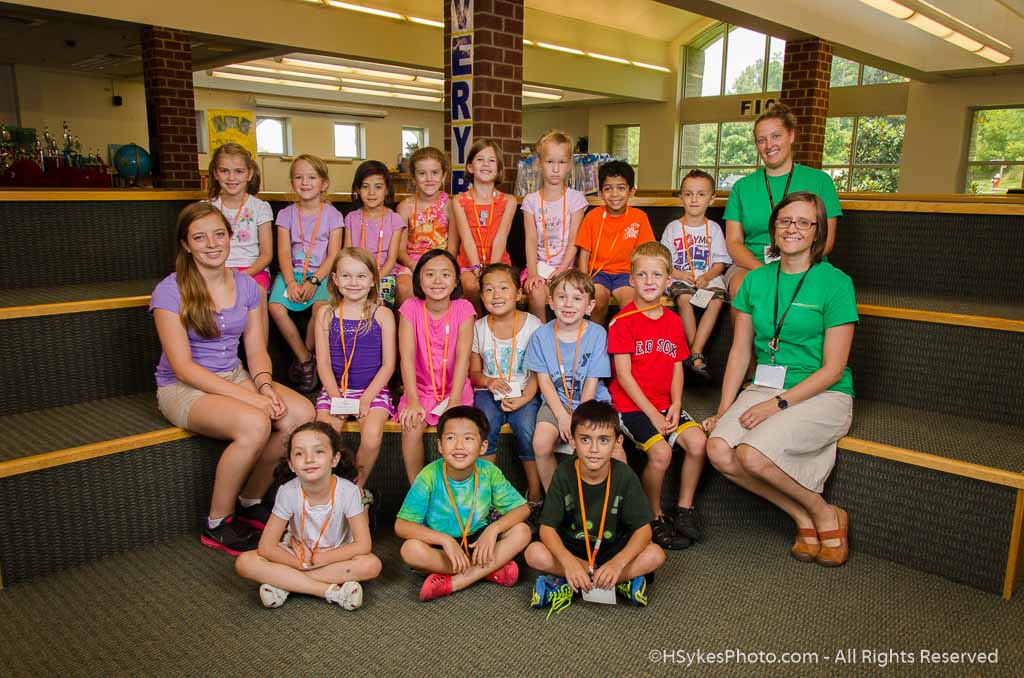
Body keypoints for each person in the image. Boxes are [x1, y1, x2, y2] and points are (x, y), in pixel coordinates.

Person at [151, 202, 314, 555]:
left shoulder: (247, 287)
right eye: (200, 237)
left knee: (299, 414)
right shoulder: (169, 291)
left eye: (219, 234)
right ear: (185, 244)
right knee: (256, 423)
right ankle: (218, 522)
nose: (212, 244)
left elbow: (255, 352)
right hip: (184, 386)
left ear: (230, 238)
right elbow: (183, 368)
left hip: (234, 374)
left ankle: (251, 499)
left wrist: (265, 387)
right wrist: (252, 399)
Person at [704, 191, 856, 567]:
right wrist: (724, 409)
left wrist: (778, 404)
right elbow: (741, 352)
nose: (793, 229)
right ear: (773, 228)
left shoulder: (835, 283)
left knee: (752, 455)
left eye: (804, 222)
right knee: (719, 450)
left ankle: (824, 513)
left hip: (823, 392)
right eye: (786, 221)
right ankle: (802, 515)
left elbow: (833, 368)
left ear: (818, 232)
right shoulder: (754, 281)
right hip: (765, 384)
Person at [608, 242, 708, 550]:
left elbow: (677, 367)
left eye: (657, 274)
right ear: (632, 279)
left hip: (666, 403)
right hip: (631, 406)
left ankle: (684, 508)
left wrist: (676, 404)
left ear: (668, 280)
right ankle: (653, 515)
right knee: (661, 454)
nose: (650, 281)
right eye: (642, 274)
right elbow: (623, 376)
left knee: (698, 442)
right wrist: (652, 413)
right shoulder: (622, 322)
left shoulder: (674, 321)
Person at [525, 401, 666, 614]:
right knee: (534, 553)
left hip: (612, 549)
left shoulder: (625, 476)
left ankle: (573, 582)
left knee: (656, 555)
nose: (593, 449)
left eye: (603, 440)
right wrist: (569, 562)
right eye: (585, 439)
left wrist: (618, 564)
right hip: (573, 549)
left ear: (618, 442)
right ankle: (615, 581)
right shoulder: (563, 474)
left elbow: (644, 530)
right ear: (572, 441)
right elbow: (547, 528)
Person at [235, 422, 382, 609]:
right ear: (291, 464)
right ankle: (330, 591)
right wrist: (301, 563)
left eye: (319, 451)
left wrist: (322, 559)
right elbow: (266, 546)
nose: (309, 459)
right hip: (297, 553)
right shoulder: (287, 492)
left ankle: (285, 583)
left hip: (336, 556)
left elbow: (363, 544)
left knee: (371, 565)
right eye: (299, 453)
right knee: (245, 562)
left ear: (334, 459)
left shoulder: (349, 491)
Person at [395, 406, 532, 602]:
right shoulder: (428, 476)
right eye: (451, 438)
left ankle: (455, 582)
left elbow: (523, 508)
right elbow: (402, 526)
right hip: (441, 547)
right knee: (410, 550)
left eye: (468, 439)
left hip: (478, 541)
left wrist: (493, 530)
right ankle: (488, 569)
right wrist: (445, 540)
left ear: (483, 446)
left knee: (522, 531)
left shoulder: (488, 471)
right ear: (440, 446)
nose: (459, 446)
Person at [722, 104, 842, 305]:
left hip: (807, 262)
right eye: (761, 140)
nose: (769, 145)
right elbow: (734, 243)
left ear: (791, 136)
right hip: (753, 264)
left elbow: (826, 240)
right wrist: (765, 272)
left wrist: (791, 270)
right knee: (743, 286)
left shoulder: (820, 181)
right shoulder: (742, 187)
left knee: (812, 288)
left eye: (776, 136)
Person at [313, 247, 396, 501]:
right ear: (335, 279)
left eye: (361, 276)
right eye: (346, 276)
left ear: (373, 280)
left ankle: (354, 488)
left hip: (372, 391)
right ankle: (326, 491)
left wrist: (367, 398)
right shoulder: (325, 314)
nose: (354, 282)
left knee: (371, 437)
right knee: (323, 437)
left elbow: (388, 364)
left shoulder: (382, 314)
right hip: (334, 389)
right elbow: (323, 363)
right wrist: (336, 397)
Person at [524, 270, 617, 491]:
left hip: (593, 402)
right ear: (551, 302)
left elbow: (592, 382)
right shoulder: (540, 336)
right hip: (556, 402)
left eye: (577, 298)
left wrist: (578, 419)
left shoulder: (597, 334)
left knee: (608, 450)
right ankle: (557, 497)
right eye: (562, 297)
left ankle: (597, 500)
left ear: (590, 306)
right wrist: (562, 416)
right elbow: (544, 382)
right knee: (541, 444)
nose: (568, 304)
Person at [395, 249, 475, 484]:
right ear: (419, 279)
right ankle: (417, 491)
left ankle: (453, 491)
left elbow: (463, 357)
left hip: (455, 388)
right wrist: (412, 399)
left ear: (456, 281)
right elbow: (406, 357)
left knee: (456, 430)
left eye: (445, 275)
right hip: (419, 388)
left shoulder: (464, 309)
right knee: (411, 426)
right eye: (430, 274)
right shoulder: (410, 308)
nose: (437, 281)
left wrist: (454, 401)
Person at [469, 263, 544, 509]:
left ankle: (534, 492)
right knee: (485, 426)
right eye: (489, 290)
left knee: (526, 428)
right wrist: (488, 382)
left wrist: (526, 398)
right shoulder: (478, 327)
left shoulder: (533, 325)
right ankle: (486, 495)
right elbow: (474, 373)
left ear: (518, 294)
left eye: (503, 288)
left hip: (525, 391)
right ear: (481, 296)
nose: (496, 295)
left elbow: (537, 372)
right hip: (489, 392)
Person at [268, 154, 344, 392]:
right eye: (299, 177)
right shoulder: (285, 214)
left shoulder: (333, 215)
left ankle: (307, 356)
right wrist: (290, 282)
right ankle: (304, 359)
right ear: (292, 183)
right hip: (292, 273)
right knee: (275, 308)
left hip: (321, 274)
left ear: (324, 183)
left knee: (320, 308)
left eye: (312, 177)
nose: (305, 182)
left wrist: (313, 280)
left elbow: (333, 256)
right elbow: (283, 253)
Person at [661, 169, 731, 380]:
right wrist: (680, 274)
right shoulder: (673, 228)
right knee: (684, 298)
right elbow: (664, 262)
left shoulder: (715, 229)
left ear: (712, 199)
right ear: (681, 196)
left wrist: (707, 276)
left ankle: (694, 352)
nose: (694, 199)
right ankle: (697, 356)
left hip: (708, 279)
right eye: (688, 193)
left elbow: (721, 262)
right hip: (680, 278)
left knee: (716, 301)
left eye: (701, 194)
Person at [575, 160, 655, 324]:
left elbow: (646, 254)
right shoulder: (592, 217)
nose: (614, 194)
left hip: (626, 274)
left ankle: (621, 344)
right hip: (597, 273)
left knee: (630, 306)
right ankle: (596, 341)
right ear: (600, 193)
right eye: (608, 189)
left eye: (621, 188)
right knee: (598, 301)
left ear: (631, 191)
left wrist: (642, 278)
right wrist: (584, 279)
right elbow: (584, 253)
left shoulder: (639, 217)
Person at [521, 130, 588, 320]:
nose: (556, 169)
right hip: (540, 265)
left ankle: (566, 340)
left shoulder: (576, 199)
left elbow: (575, 238)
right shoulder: (531, 201)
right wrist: (533, 273)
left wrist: (562, 269)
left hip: (567, 267)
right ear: (539, 163)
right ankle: (543, 340)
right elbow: (531, 239)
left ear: (569, 165)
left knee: (569, 294)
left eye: (562, 162)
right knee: (536, 293)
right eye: (550, 162)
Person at [453, 138, 516, 313]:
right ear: (470, 167)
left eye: (492, 160)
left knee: (499, 286)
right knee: (472, 286)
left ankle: (498, 330)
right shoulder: (459, 201)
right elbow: (467, 239)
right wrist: (476, 269)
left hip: (499, 262)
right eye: (480, 159)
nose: (486, 164)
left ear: (499, 168)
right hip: (469, 264)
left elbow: (501, 238)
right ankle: (477, 328)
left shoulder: (508, 201)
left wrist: (491, 271)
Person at [394, 147, 460, 308]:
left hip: (442, 261)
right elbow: (400, 250)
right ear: (414, 178)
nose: (429, 178)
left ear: (444, 176)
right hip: (413, 264)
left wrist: (438, 266)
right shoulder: (405, 207)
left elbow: (452, 249)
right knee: (403, 287)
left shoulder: (451, 206)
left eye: (435, 173)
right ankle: (406, 329)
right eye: (422, 173)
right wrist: (414, 265)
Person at [207, 143, 274, 294]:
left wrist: (242, 276)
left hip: (253, 270)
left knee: (256, 293)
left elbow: (266, 255)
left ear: (249, 174)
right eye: (224, 171)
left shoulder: (260, 207)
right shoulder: (207, 208)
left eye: (238, 171)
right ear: (216, 173)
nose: (231, 178)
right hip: (216, 270)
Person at [344, 160, 405, 307]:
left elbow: (391, 259)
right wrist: (358, 278)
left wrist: (373, 279)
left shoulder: (395, 219)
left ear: (387, 190)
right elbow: (348, 254)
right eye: (365, 187)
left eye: (378, 187)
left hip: (384, 275)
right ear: (357, 189)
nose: (371, 192)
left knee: (377, 304)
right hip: (355, 275)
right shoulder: (351, 218)